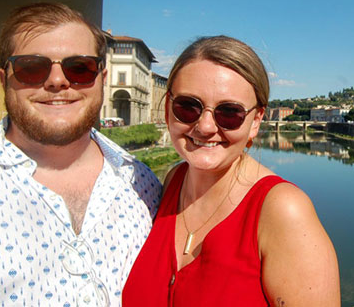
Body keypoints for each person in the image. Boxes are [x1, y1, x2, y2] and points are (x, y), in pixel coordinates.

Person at [0, 2, 161, 306]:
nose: (57, 81)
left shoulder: (143, 183)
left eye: (80, 68)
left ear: (102, 80)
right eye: (31, 67)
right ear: (4, 81)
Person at [122, 36, 340, 306]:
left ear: (256, 121)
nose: (205, 127)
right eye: (188, 107)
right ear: (168, 108)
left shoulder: (284, 211)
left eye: (229, 113)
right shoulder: (172, 181)